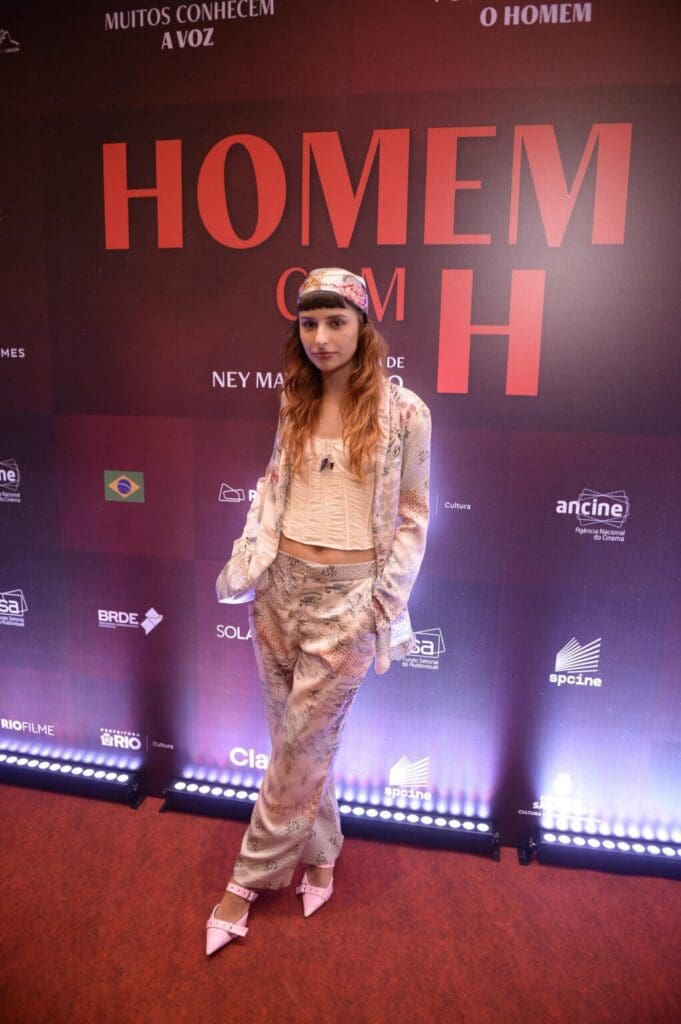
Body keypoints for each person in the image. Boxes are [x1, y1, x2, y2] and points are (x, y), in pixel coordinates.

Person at [206, 268, 431, 955]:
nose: (322, 337)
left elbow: (413, 516)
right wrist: (249, 563)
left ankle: (243, 884)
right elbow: (274, 486)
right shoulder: (293, 398)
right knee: (295, 746)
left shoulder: (404, 413)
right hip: (278, 593)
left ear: (364, 326)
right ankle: (324, 853)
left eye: (336, 322)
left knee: (300, 745)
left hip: (348, 603)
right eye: (309, 324)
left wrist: (381, 605)